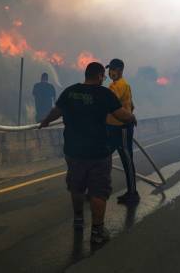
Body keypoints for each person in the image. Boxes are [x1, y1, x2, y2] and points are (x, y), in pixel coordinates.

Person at [39, 62, 136, 245]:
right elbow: (121, 115)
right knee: (98, 191)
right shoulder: (104, 94)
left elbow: (56, 111)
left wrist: (45, 121)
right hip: (98, 152)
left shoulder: (70, 91)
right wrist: (132, 117)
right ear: (99, 76)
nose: (104, 78)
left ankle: (78, 220)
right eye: (103, 76)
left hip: (73, 151)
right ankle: (97, 232)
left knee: (76, 187)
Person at [105, 58, 139, 204]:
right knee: (104, 157)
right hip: (113, 127)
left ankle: (133, 193)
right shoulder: (119, 85)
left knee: (126, 159)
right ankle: (101, 188)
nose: (109, 72)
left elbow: (107, 103)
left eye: (112, 69)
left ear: (119, 70)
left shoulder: (119, 86)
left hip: (122, 128)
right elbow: (131, 105)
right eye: (109, 69)